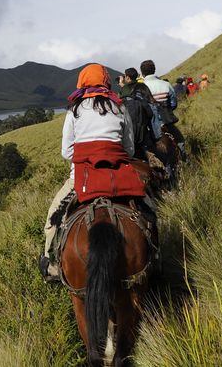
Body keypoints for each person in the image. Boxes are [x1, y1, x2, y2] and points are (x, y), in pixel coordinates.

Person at [39, 63, 136, 281]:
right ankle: (155, 255)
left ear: (82, 81)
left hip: (82, 178)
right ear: (106, 80)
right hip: (118, 175)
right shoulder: (120, 106)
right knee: (149, 210)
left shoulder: (75, 109)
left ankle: (52, 265)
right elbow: (129, 149)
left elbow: (66, 151)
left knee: (53, 220)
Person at [141, 60, 186, 157]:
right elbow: (173, 103)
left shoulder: (140, 87)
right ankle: (184, 159)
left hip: (149, 125)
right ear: (154, 70)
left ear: (142, 73)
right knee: (180, 140)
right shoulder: (166, 84)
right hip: (165, 122)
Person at [119, 67, 160, 159]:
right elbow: (150, 109)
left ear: (128, 78)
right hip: (144, 126)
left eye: (125, 76)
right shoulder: (143, 86)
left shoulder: (125, 89)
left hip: (131, 130)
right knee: (158, 153)